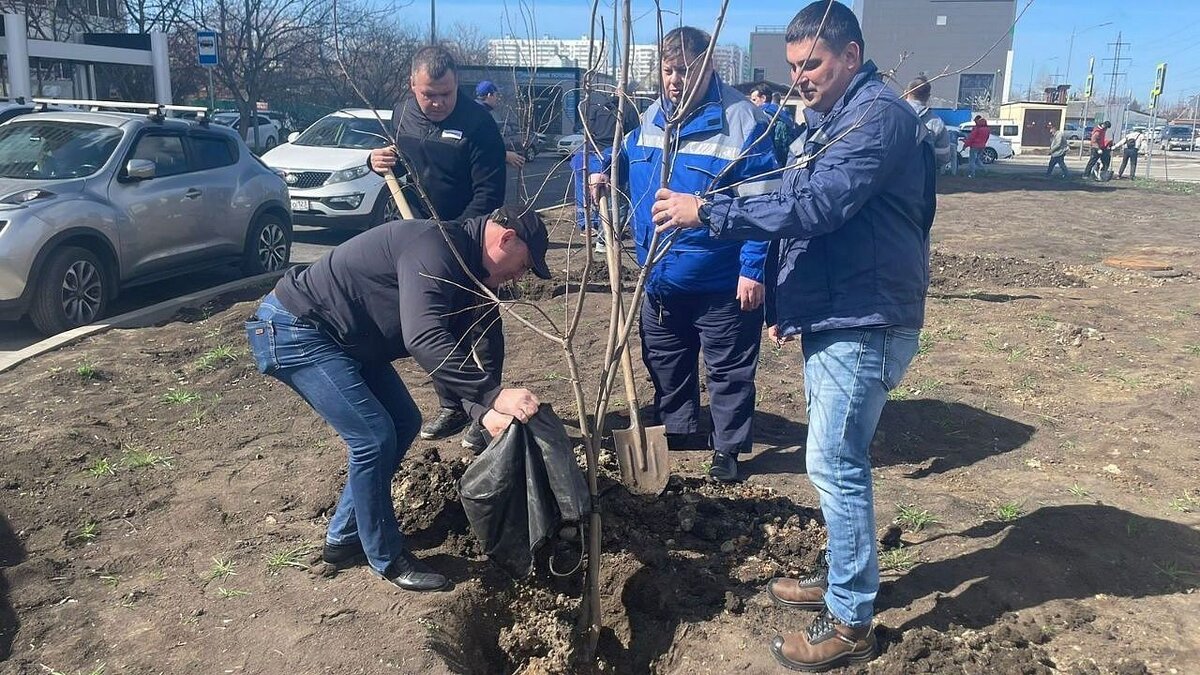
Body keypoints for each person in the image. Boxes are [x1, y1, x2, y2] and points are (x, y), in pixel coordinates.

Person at [651, 2, 933, 670]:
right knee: (832, 457)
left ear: (851, 57)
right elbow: (801, 206)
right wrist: (785, 298)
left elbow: (817, 204)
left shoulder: (879, 118)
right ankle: (840, 578)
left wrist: (708, 209)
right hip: (837, 310)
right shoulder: (833, 120)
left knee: (834, 463)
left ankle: (851, 618)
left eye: (812, 64)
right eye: (793, 67)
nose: (799, 78)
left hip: (864, 317)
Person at [244, 204, 551, 593]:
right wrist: (492, 394)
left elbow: (452, 346)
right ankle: (386, 558)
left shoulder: (467, 272)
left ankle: (342, 539)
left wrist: (483, 409)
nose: (519, 276)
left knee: (404, 422)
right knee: (373, 438)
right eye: (524, 264)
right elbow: (423, 337)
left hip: (347, 340)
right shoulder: (435, 247)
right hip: (296, 329)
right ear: (506, 238)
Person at [590, 26, 778, 483]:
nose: (675, 81)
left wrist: (753, 270)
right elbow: (632, 157)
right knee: (666, 359)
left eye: (685, 71)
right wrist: (605, 172)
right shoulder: (654, 115)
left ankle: (728, 448)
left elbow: (763, 205)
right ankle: (679, 431)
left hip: (721, 275)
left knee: (728, 369)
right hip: (660, 273)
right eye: (668, 70)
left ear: (708, 67)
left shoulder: (744, 122)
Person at [369, 46, 508, 451]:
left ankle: (484, 411)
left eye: (446, 94)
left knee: (478, 324)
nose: (438, 103)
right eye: (429, 94)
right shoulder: (401, 114)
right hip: (415, 239)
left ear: (456, 86)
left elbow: (490, 192)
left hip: (466, 238)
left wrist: (455, 236)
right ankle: (451, 405)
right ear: (413, 85)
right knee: (433, 325)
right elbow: (391, 164)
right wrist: (372, 160)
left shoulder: (478, 123)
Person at [572, 90, 640, 253]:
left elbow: (586, 130)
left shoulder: (597, 108)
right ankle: (605, 238)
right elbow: (634, 135)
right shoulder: (628, 110)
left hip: (592, 154)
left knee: (588, 193)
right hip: (614, 155)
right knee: (619, 198)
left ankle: (588, 225)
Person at [475, 80, 528, 171]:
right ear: (489, 95)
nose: (498, 98)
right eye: (496, 95)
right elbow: (479, 146)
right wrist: (505, 155)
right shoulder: (481, 115)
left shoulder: (476, 110)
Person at [903, 76, 952, 174]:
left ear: (906, 92)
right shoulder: (937, 123)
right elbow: (944, 156)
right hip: (921, 179)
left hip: (890, 179)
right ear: (928, 96)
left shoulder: (891, 114)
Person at [750, 82, 799, 165]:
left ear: (763, 98)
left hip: (769, 157)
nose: (751, 102)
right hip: (786, 156)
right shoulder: (783, 113)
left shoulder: (762, 114)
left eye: (754, 100)